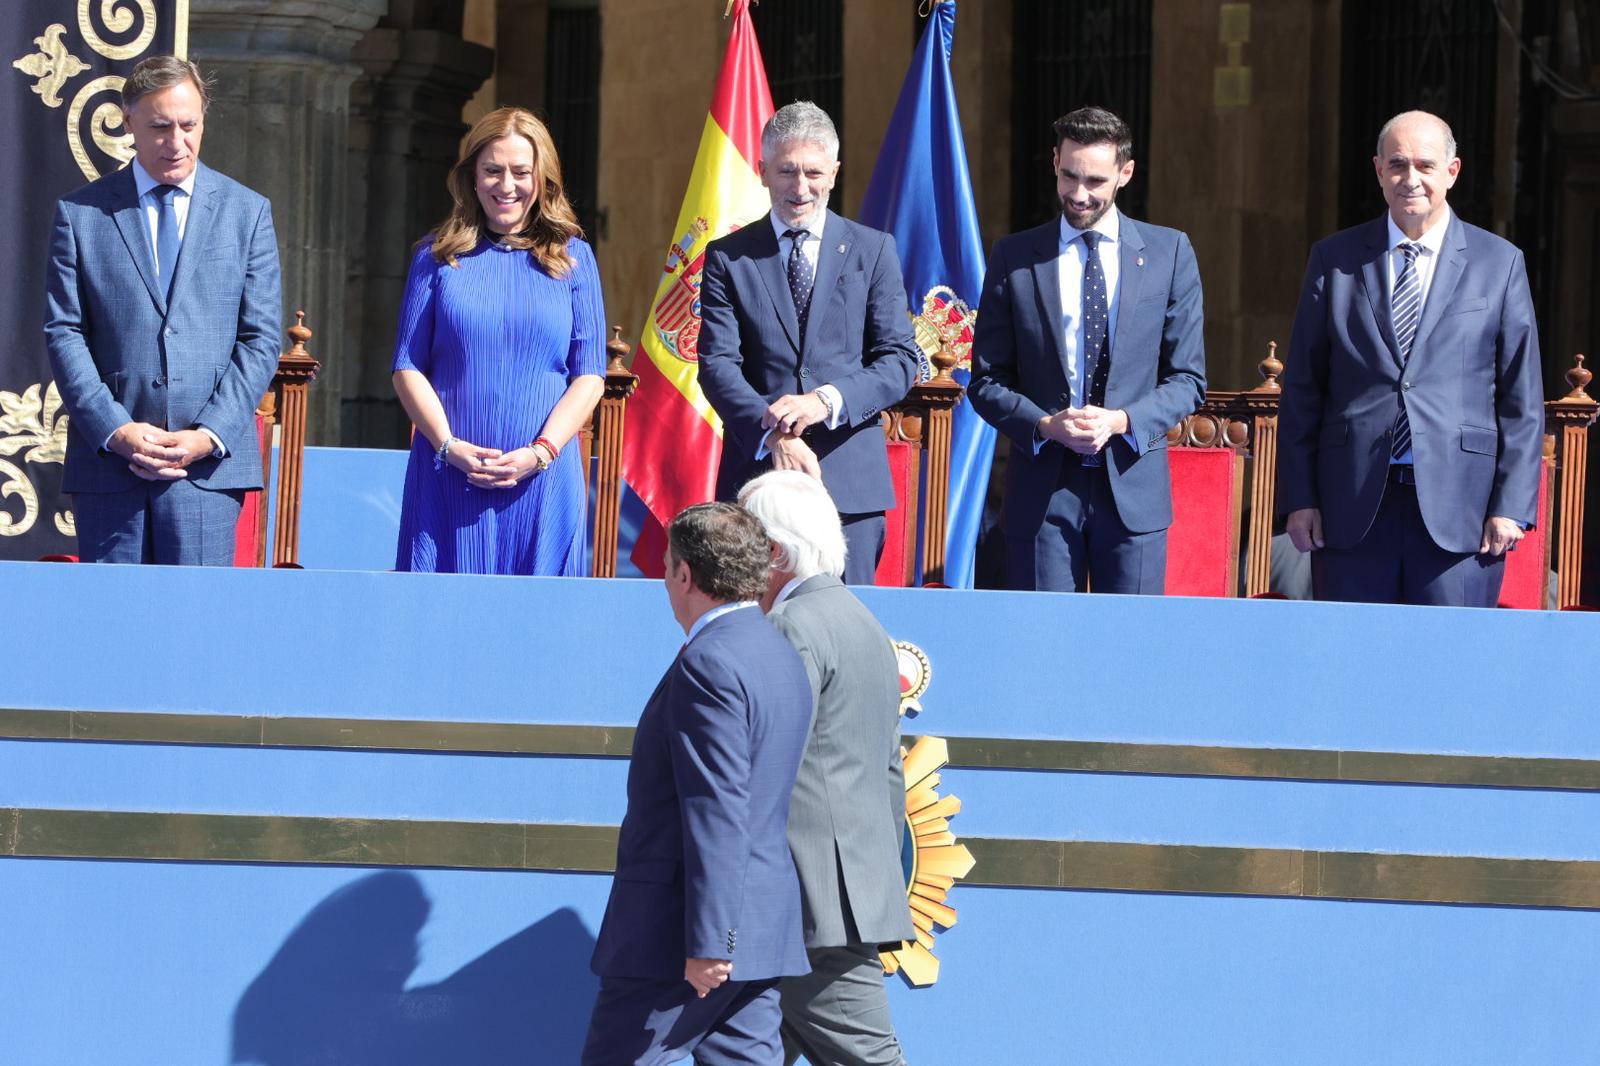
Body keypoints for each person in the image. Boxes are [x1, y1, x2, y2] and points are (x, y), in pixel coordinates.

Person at [1277, 110, 1543, 607]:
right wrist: (1300, 498)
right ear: (1378, 171)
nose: (1411, 179)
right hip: (1349, 507)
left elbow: (1521, 398)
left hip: (1461, 512)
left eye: (1425, 164)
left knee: (1451, 670)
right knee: (1353, 666)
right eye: (1397, 165)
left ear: (1453, 171)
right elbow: (1303, 391)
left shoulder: (1500, 263)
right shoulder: (1334, 260)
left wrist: (1511, 506)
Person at [583, 502, 814, 1066]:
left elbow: (718, 810)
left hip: (682, 942)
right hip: (756, 932)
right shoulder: (778, 652)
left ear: (686, 575)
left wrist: (712, 942)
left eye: (665, 567)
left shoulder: (709, 662)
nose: (664, 580)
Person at [44, 56, 281, 565]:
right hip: (111, 468)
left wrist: (208, 434)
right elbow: (65, 332)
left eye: (188, 125)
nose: (176, 142)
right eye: (159, 127)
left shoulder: (247, 211)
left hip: (205, 471)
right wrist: (117, 430)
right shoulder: (81, 214)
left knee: (196, 633)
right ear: (127, 121)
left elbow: (260, 338)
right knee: (112, 630)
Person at [968, 106, 1206, 594]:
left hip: (1133, 489)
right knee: (1042, 651)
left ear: (1126, 173)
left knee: (1133, 652)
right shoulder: (1014, 257)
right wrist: (1044, 425)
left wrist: (1121, 421)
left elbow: (1187, 379)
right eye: (1069, 175)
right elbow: (987, 381)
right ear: (1055, 161)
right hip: (1043, 494)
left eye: (1095, 181)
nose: (1079, 194)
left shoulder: (1170, 253)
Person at [697, 101, 923, 585]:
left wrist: (824, 402)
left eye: (813, 173)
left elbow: (901, 359)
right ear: (761, 172)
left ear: (835, 173)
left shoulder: (873, 249)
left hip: (848, 488)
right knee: (755, 633)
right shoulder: (728, 258)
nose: (800, 188)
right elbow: (716, 365)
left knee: (843, 633)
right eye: (787, 172)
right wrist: (775, 434)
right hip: (756, 482)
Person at [737, 470, 915, 1066]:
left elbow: (762, 764)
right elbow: (889, 774)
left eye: (744, 539)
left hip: (810, 908)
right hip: (837, 897)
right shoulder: (861, 621)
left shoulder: (791, 627)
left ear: (776, 553)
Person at [390, 106, 606, 575]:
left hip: (542, 482)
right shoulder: (435, 258)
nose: (506, 186)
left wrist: (541, 452)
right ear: (471, 177)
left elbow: (589, 375)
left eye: (520, 172)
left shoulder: (575, 259)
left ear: (542, 179)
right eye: (492, 170)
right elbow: (407, 367)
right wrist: (449, 447)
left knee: (541, 629)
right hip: (448, 477)